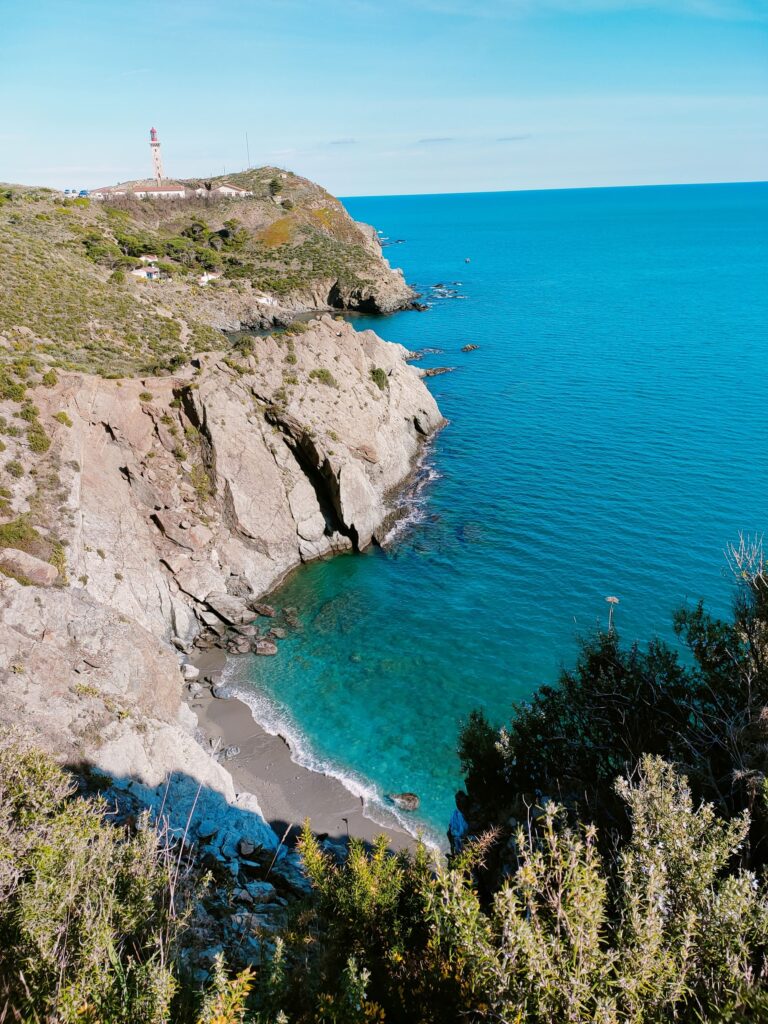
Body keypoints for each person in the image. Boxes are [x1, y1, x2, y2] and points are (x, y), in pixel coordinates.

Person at [447, 790, 470, 855]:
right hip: (459, 843)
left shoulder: (468, 813)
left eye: (458, 800)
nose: (457, 802)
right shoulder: (456, 813)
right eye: (457, 801)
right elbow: (450, 831)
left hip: (465, 843)